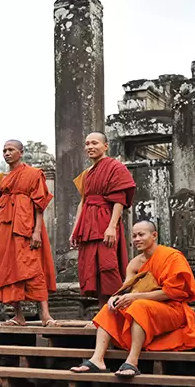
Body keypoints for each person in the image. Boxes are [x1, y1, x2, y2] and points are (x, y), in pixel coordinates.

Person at [70, 220, 195, 379]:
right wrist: (116, 298)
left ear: (154, 235)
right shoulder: (134, 264)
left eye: (141, 235)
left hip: (173, 310)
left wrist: (134, 297)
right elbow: (127, 289)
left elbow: (172, 293)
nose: (136, 239)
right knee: (109, 309)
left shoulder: (171, 257)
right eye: (134, 235)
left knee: (138, 306)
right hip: (145, 307)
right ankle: (97, 359)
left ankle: (132, 361)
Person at [0, 140, 57, 327]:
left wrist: (37, 232)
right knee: (9, 270)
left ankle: (46, 315)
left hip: (25, 227)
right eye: (4, 150)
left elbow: (39, 205)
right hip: (3, 228)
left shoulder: (33, 174)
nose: (7, 153)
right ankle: (18, 315)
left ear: (21, 152)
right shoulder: (0, 179)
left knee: (33, 269)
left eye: (11, 150)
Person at [70, 132, 136, 308]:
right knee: (90, 267)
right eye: (87, 144)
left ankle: (115, 310)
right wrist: (75, 229)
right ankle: (102, 311)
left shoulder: (116, 167)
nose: (90, 147)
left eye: (94, 143)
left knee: (108, 265)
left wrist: (112, 227)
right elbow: (82, 202)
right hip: (87, 224)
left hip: (105, 221)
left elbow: (119, 199)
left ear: (105, 146)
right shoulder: (86, 174)